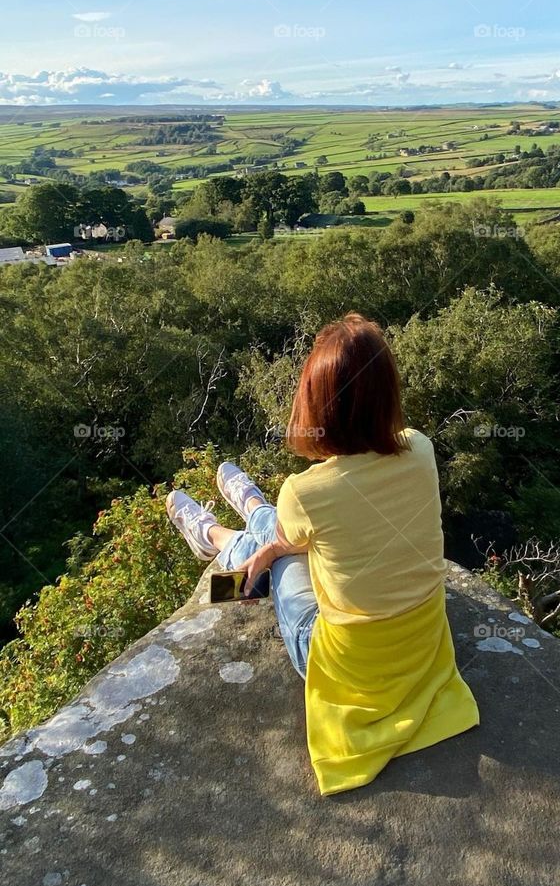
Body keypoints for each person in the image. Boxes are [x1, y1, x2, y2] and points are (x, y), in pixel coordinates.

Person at [166, 313, 479, 795]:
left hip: (339, 664)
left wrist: (271, 547)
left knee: (277, 552)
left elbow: (292, 544)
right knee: (283, 534)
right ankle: (247, 508)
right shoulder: (420, 447)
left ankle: (217, 538)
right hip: (421, 650)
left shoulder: (308, 492)